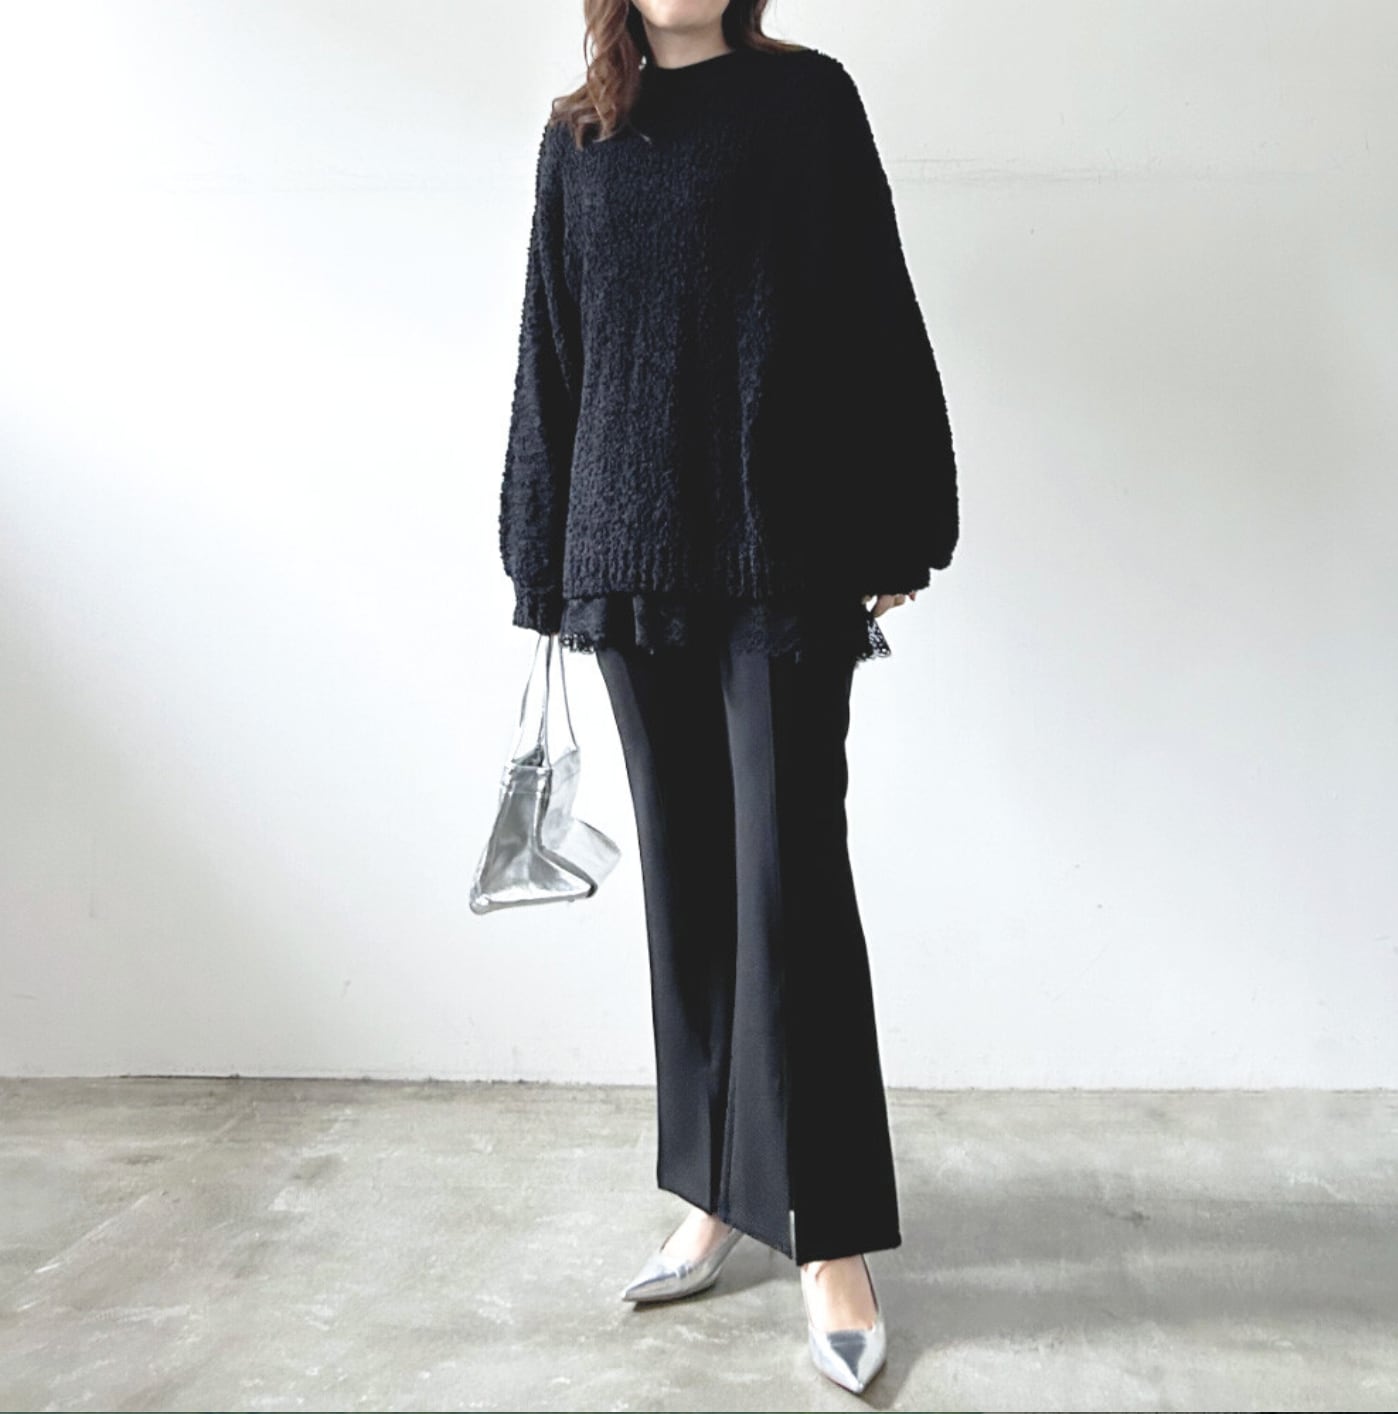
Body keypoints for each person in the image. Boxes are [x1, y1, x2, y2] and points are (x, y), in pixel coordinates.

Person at [497, 0, 959, 1394]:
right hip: (630, 554)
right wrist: (538, 553)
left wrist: (902, 519)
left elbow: (873, 305)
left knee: (788, 884)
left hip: (783, 547)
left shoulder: (807, 102)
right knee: (689, 889)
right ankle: (711, 1194)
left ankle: (827, 1232)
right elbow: (552, 347)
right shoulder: (581, 136)